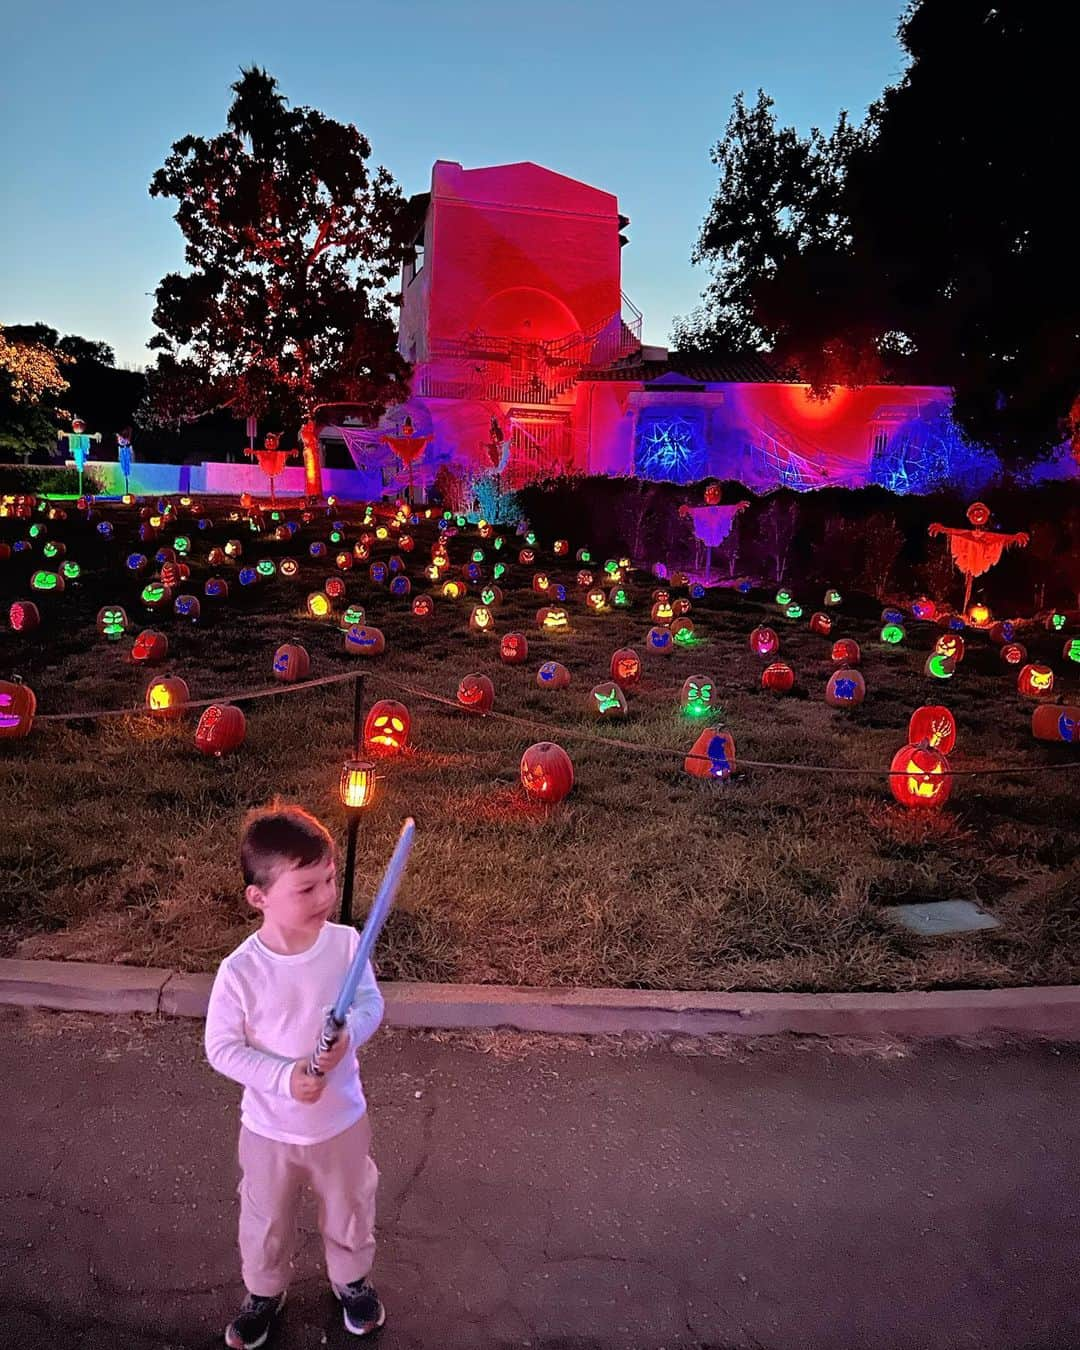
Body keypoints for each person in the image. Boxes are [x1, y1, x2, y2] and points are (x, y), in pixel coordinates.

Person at [205, 804, 387, 1348]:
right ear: (259, 897)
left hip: (341, 1121)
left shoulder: (346, 946)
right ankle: (264, 1290)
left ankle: (351, 1280)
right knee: (265, 1220)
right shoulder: (241, 971)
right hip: (269, 1129)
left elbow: (369, 1002)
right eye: (307, 889)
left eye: (329, 880)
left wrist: (350, 1032)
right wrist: (285, 1078)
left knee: (350, 1206)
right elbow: (221, 1048)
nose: (326, 897)